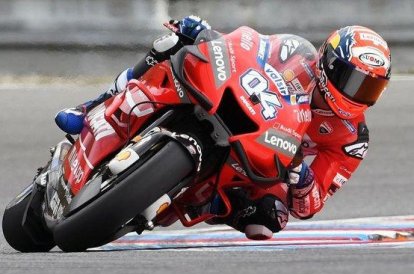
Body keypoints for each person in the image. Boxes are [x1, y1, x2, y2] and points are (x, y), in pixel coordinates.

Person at [55, 17, 391, 238]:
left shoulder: (351, 138)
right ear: (329, 64)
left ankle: (204, 203)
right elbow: (248, 45)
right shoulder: (295, 52)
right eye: (355, 81)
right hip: (229, 101)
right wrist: (207, 34)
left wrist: (302, 179)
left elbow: (311, 205)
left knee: (270, 219)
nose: (358, 94)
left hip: (261, 164)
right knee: (175, 41)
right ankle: (95, 106)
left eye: (369, 89)